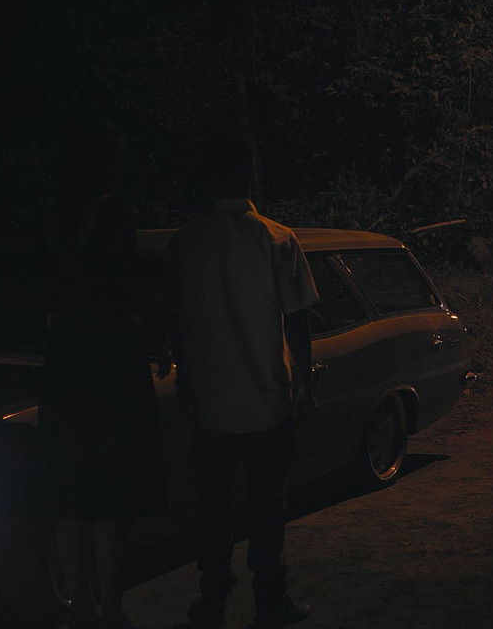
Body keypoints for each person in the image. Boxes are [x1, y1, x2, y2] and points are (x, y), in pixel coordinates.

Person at [172, 143, 319, 629]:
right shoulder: (277, 238)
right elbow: (298, 320)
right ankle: (270, 599)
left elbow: (178, 322)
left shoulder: (187, 242)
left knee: (213, 507)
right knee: (267, 506)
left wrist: (187, 379)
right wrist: (304, 382)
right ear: (250, 179)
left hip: (210, 400)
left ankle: (212, 598)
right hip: (265, 398)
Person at [41, 117, 165, 629]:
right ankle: (111, 607)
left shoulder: (54, 219)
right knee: (112, 497)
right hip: (112, 369)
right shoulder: (116, 217)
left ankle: (78, 606)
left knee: (72, 497)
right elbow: (131, 294)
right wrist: (156, 336)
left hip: (66, 369)